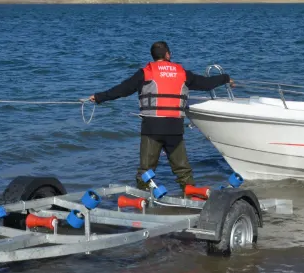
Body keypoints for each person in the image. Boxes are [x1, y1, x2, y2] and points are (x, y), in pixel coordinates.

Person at [89, 41, 233, 191]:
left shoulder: (146, 72)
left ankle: (144, 198)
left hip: (152, 129)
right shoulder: (182, 73)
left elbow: (121, 90)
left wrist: (99, 97)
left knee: (146, 171)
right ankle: (191, 194)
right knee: (183, 170)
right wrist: (225, 78)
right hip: (174, 129)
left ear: (153, 56)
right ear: (167, 55)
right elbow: (206, 83)